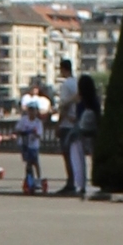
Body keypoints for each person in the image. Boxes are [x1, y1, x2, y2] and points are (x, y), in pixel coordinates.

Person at [67, 74, 101, 199]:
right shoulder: (95, 100)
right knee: (93, 157)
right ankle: (96, 179)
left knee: (78, 159)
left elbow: (77, 118)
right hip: (93, 131)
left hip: (80, 133)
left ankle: (81, 184)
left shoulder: (80, 101)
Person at [52, 58, 80, 195]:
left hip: (67, 125)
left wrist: (58, 124)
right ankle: (78, 181)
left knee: (67, 155)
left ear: (63, 69)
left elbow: (64, 106)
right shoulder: (77, 83)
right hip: (77, 123)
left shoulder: (66, 85)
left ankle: (71, 183)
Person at [14, 100, 45, 195]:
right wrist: (22, 132)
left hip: (33, 145)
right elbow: (17, 129)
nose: (32, 112)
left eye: (34, 110)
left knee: (35, 162)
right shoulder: (24, 120)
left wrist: (34, 133)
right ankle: (29, 178)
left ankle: (38, 179)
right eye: (30, 110)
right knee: (28, 163)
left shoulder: (38, 122)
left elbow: (39, 134)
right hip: (25, 144)